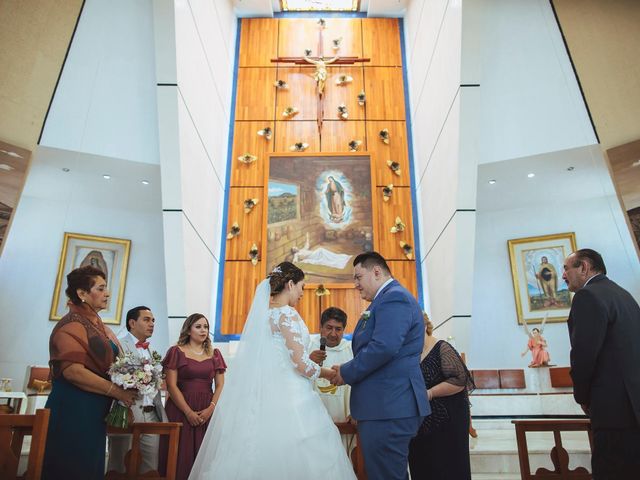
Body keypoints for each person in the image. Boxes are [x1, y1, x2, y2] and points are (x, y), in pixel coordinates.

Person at [188, 262, 356, 479]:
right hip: (292, 396)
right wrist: (330, 373)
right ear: (290, 284)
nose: (302, 294)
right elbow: (301, 363)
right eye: (302, 287)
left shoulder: (264, 316)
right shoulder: (287, 314)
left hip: (265, 395)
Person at [331, 252, 430, 480]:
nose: (355, 284)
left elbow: (383, 347)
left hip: (389, 405)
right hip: (385, 404)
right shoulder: (384, 300)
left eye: (358, 277)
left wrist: (345, 372)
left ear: (376, 271)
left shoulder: (394, 298)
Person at [42, 266, 137, 480]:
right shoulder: (72, 326)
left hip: (93, 410)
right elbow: (74, 372)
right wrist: (117, 392)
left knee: (89, 469)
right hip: (73, 408)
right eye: (101, 288)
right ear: (82, 294)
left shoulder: (96, 324)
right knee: (71, 468)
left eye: (106, 288)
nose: (107, 293)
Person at [562, 248, 640, 479]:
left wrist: (582, 396)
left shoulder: (588, 296)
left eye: (566, 268)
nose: (563, 275)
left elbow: (584, 354)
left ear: (584, 267)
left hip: (613, 410)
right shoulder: (623, 295)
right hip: (633, 406)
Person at [159, 314, 226, 480]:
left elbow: (220, 385)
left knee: (208, 454)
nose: (203, 330)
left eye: (206, 327)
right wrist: (188, 412)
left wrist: (211, 408)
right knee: (180, 452)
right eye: (198, 326)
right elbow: (171, 385)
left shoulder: (215, 354)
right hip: (180, 408)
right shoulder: (176, 352)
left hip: (207, 408)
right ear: (188, 330)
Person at [408, 313, 475, 480]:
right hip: (420, 421)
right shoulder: (408, 352)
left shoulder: (441, 347)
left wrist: (430, 393)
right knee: (422, 466)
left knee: (447, 468)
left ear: (424, 326)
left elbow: (460, 380)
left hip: (448, 419)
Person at [108, 306, 168, 474]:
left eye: (153, 320)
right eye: (147, 320)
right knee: (118, 467)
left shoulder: (149, 349)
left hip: (151, 415)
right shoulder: (118, 344)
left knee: (150, 470)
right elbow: (111, 374)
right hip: (127, 412)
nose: (152, 324)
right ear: (132, 323)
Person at [309, 307, 355, 452]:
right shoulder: (308, 347)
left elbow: (357, 385)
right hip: (312, 419)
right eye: (329, 328)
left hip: (342, 417)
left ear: (344, 330)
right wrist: (309, 361)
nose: (333, 334)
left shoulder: (351, 350)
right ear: (321, 327)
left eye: (338, 329)